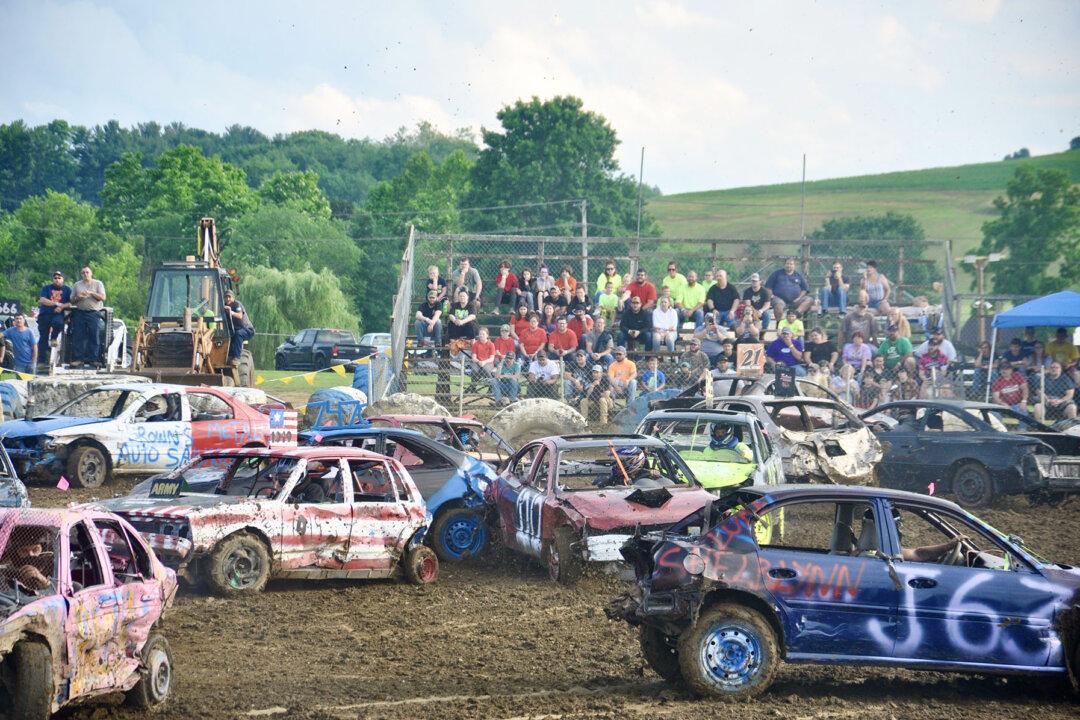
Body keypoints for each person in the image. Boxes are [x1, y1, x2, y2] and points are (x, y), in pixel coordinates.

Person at [69, 266, 106, 368]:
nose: (85, 274)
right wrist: (79, 297)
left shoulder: (98, 283)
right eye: (83, 273)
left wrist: (91, 293)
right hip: (80, 312)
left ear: (91, 273)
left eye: (87, 272)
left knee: (94, 336)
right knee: (78, 336)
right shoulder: (77, 285)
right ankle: (78, 359)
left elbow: (103, 297)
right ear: (81, 274)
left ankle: (93, 359)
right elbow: (71, 300)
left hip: (94, 312)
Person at [37, 270, 72, 367]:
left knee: (59, 323)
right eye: (55, 278)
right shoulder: (46, 288)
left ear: (63, 279)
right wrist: (56, 304)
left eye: (59, 278)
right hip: (45, 314)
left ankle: (54, 337)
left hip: (58, 314)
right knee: (43, 338)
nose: (57, 279)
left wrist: (61, 307)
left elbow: (71, 302)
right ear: (53, 279)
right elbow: (42, 300)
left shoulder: (67, 289)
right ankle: (41, 361)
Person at [222, 289, 255, 364]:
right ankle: (228, 356)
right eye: (226, 297)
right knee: (226, 336)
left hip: (247, 329)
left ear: (233, 298)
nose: (228, 299)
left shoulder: (237, 304)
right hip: (235, 330)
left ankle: (236, 358)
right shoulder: (224, 307)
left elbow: (240, 316)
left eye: (229, 297)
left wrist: (230, 312)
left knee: (238, 334)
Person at [446, 289, 478, 361]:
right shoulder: (455, 305)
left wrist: (462, 321)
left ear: (467, 297)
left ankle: (473, 344)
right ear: (458, 297)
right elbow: (450, 315)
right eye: (460, 296)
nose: (462, 297)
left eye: (463, 296)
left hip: (468, 327)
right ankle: (453, 344)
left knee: (471, 323)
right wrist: (455, 320)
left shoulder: (471, 305)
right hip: (458, 326)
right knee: (451, 323)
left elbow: (473, 316)